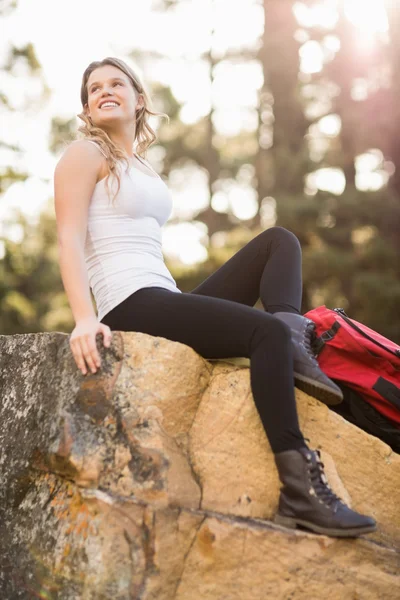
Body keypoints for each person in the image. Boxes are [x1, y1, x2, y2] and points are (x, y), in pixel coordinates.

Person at [54, 56, 376, 538]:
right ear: (86, 107)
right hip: (128, 305)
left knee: (279, 241)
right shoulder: (84, 154)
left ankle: (292, 336)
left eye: (116, 82)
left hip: (162, 296)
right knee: (261, 331)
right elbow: (68, 236)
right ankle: (299, 491)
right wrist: (84, 318)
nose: (104, 90)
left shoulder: (138, 165)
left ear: (138, 99)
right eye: (93, 88)